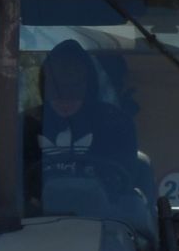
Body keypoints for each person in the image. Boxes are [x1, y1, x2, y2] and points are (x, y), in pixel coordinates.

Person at [26, 41, 153, 231]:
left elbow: (124, 179)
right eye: (56, 86)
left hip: (109, 224)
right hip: (32, 227)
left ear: (89, 85)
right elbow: (14, 186)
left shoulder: (115, 124)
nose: (65, 97)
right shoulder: (27, 125)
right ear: (44, 85)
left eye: (73, 86)